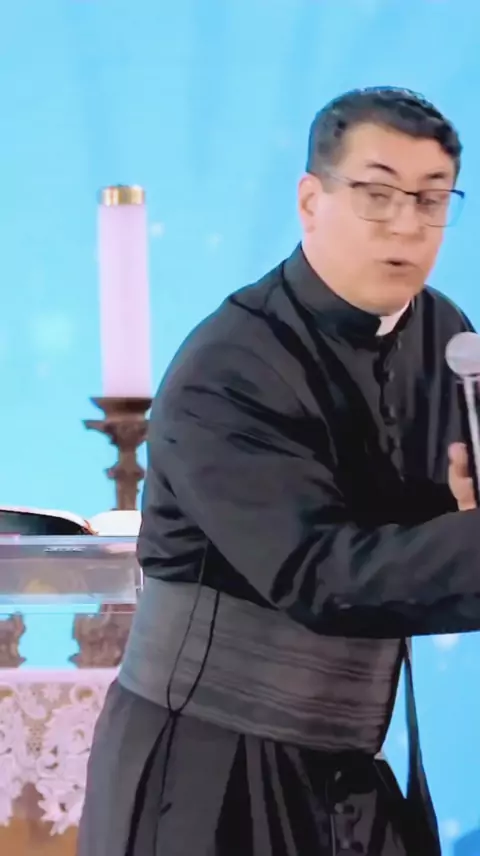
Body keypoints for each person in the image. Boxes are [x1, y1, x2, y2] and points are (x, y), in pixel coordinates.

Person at [78, 87, 480, 856]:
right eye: (378, 194)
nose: (407, 225)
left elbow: (440, 514)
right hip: (206, 769)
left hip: (351, 768)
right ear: (310, 201)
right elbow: (318, 573)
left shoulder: (444, 334)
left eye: (431, 199)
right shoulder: (230, 365)